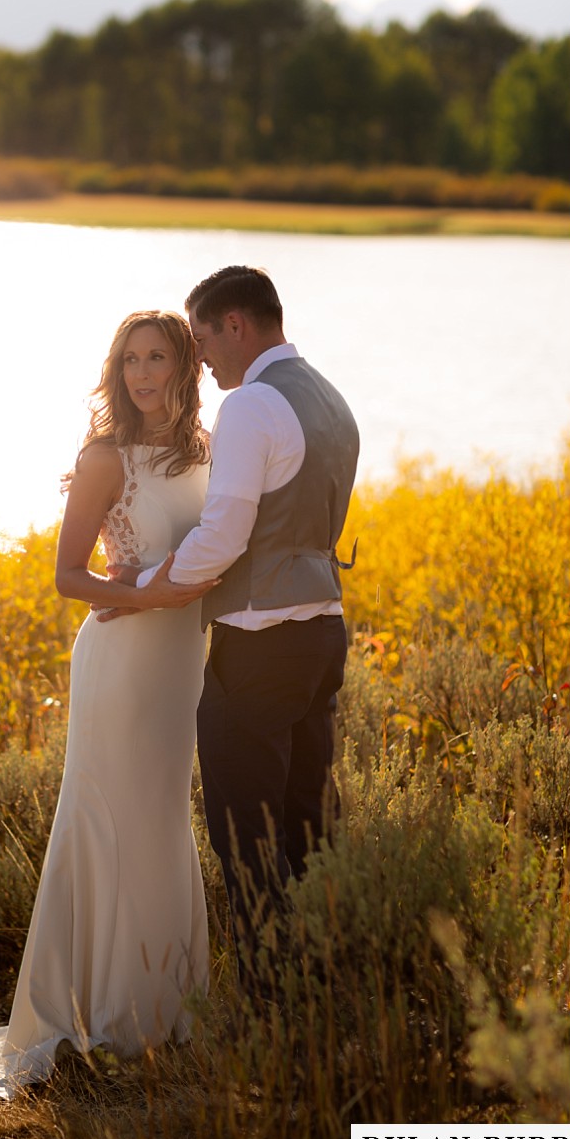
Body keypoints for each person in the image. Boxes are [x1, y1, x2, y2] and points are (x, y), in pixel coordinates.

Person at [0, 311, 218, 1098]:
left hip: (180, 665)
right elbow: (67, 575)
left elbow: (219, 548)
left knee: (163, 819)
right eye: (130, 358)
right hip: (122, 660)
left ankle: (163, 1009)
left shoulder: (208, 451)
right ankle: (94, 1011)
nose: (141, 372)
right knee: (107, 819)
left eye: (158, 356)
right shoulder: (104, 456)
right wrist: (135, 590)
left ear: (186, 365)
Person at [102, 266, 359, 1001]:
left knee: (247, 837)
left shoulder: (252, 404)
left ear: (236, 325)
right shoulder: (329, 399)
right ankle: (321, 989)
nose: (201, 357)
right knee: (308, 827)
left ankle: (269, 1002)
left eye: (204, 337)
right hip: (322, 636)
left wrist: (144, 590)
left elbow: (222, 537)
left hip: (260, 646)